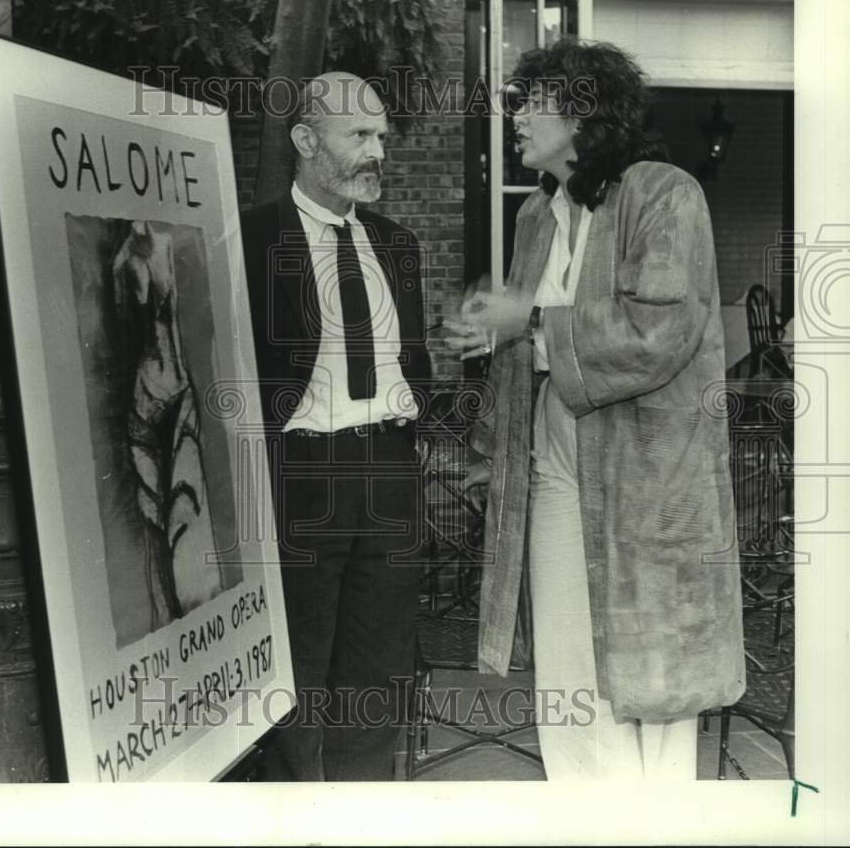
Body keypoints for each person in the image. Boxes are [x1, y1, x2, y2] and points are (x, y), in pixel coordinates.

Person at [446, 39, 745, 780]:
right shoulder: (535, 222)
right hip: (557, 470)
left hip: (650, 482)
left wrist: (534, 322)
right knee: (567, 661)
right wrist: (492, 339)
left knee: (653, 670)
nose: (515, 118)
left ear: (583, 112)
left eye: (531, 103)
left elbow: (662, 328)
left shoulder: (665, 194)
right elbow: (529, 337)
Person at [240, 72, 431, 781]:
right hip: (303, 477)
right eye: (359, 135)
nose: (377, 151)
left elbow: (416, 364)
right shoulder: (253, 240)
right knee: (296, 667)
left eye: (381, 136)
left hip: (387, 472)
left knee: (377, 669)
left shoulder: (396, 244)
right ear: (305, 141)